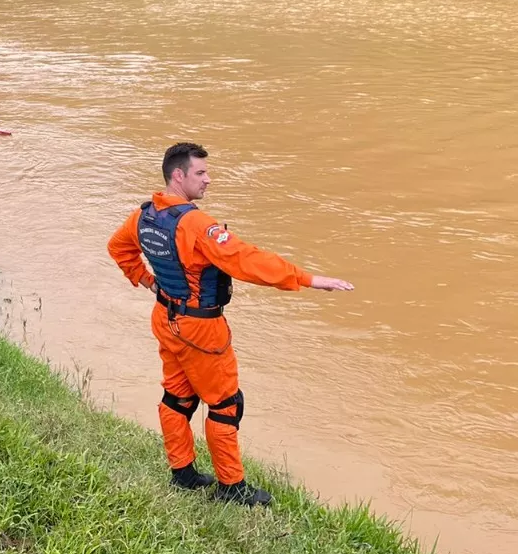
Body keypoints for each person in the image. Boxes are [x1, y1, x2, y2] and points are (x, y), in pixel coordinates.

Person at [107, 142, 354, 507]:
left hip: (166, 318)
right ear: (179, 175)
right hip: (201, 330)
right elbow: (246, 260)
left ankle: (183, 474)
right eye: (201, 173)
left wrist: (147, 281)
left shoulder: (144, 215)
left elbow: (118, 247)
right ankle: (231, 486)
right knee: (225, 405)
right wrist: (307, 279)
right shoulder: (195, 224)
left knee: (177, 396)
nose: (209, 180)